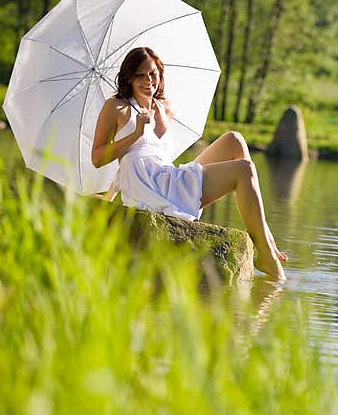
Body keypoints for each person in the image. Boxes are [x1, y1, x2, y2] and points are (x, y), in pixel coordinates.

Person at [91, 46, 286, 281]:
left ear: (160, 74)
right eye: (140, 75)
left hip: (164, 174)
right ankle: (265, 251)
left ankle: (263, 232)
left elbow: (160, 155)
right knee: (244, 170)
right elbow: (98, 157)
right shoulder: (117, 107)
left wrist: (159, 120)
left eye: (153, 73)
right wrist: (136, 133)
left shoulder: (165, 108)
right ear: (129, 77)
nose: (148, 80)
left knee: (234, 139)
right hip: (147, 182)